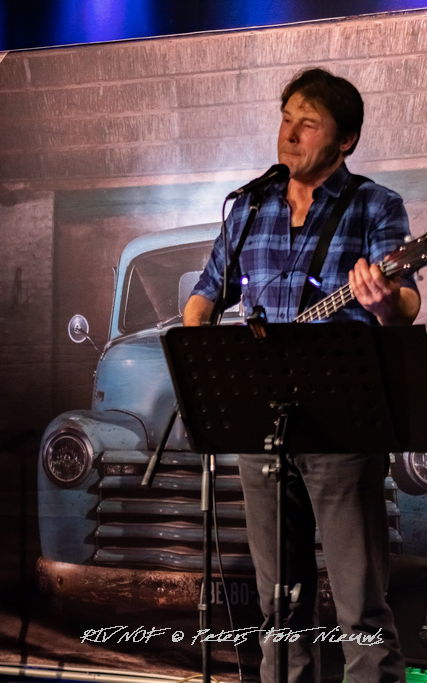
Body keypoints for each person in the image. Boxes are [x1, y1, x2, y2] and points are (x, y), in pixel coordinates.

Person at [184, 68, 418, 682]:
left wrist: (382, 302)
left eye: (307, 124)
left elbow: (405, 305)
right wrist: (201, 343)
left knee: (360, 607)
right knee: (278, 608)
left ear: (346, 139)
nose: (288, 134)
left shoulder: (375, 205)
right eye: (285, 119)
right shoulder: (249, 206)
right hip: (263, 425)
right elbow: (205, 296)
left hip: (343, 428)